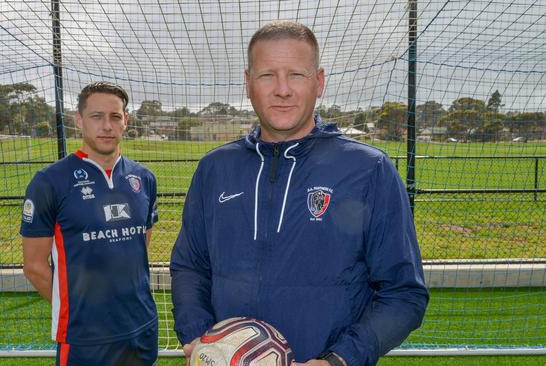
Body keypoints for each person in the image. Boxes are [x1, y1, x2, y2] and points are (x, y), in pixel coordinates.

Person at [170, 20, 428, 366]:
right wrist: (200, 337)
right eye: (267, 76)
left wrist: (339, 359)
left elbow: (403, 293)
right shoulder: (215, 169)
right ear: (248, 83)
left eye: (296, 75)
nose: (282, 90)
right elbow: (190, 266)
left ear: (318, 82)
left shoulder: (369, 170)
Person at [21, 82, 159, 366]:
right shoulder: (50, 182)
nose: (107, 126)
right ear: (79, 120)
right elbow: (34, 266)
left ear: (125, 122)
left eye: (115, 117)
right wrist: (82, 311)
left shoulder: (144, 178)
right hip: (86, 337)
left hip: (141, 327)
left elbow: (141, 245)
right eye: (97, 116)